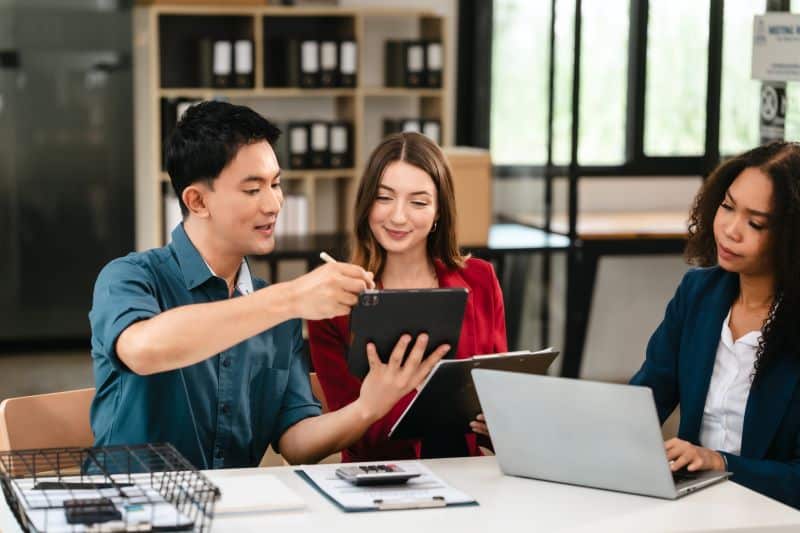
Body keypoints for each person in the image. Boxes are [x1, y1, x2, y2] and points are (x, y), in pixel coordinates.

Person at [89, 101, 449, 470]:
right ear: (197, 201)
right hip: (130, 513)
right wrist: (291, 297)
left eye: (276, 184)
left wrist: (368, 407)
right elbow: (144, 350)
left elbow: (296, 443)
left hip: (231, 513)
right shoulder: (129, 277)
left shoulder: (279, 312)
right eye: (252, 189)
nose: (275, 203)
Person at [308, 132, 507, 461]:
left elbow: (501, 390)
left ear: (439, 211)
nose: (398, 217)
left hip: (468, 475)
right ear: (366, 202)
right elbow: (354, 436)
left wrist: (500, 422)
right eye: (384, 198)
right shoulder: (335, 301)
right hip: (381, 481)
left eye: (418, 202)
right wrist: (391, 398)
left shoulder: (480, 279)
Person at [630, 141, 800, 508]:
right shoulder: (699, 293)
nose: (730, 229)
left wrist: (721, 463)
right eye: (727, 206)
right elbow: (642, 400)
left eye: (756, 223)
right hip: (695, 505)